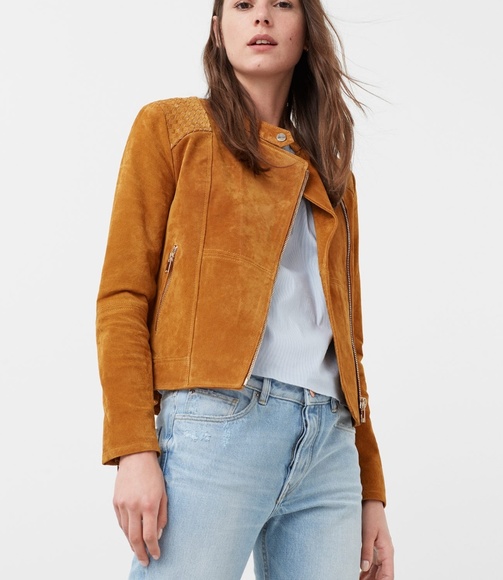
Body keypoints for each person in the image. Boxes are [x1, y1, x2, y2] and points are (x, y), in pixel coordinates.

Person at [96, 1, 394, 578]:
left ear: (305, 30)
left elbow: (348, 345)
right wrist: (133, 447)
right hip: (215, 427)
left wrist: (371, 491)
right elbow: (124, 298)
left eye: (281, 4)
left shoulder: (332, 174)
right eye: (242, 4)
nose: (262, 18)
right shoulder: (173, 129)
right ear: (218, 29)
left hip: (329, 450)